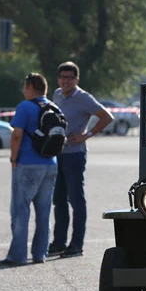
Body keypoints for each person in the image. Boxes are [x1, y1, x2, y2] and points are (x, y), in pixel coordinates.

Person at [48, 61, 114, 258]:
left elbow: (107, 117)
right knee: (58, 200)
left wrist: (88, 134)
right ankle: (59, 242)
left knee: (76, 199)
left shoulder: (83, 97)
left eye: (70, 78)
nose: (66, 81)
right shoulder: (57, 94)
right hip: (57, 153)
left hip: (75, 155)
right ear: (58, 79)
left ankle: (76, 244)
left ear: (77, 79)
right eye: (63, 78)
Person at [0, 73, 58, 266]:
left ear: (31, 87)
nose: (23, 90)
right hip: (50, 164)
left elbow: (17, 136)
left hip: (27, 164)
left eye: (25, 87)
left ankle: (18, 256)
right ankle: (40, 254)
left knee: (20, 211)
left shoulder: (25, 107)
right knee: (43, 212)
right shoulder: (54, 107)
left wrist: (13, 159)